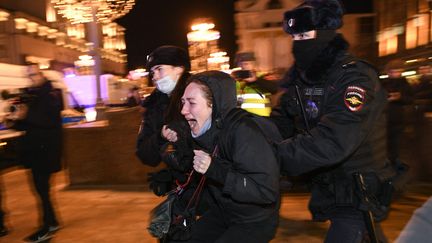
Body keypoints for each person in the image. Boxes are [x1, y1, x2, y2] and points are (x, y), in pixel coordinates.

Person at [272, 0, 396, 242]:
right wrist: (245, 133)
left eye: (305, 35)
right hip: (333, 188)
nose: (299, 44)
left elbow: (333, 141)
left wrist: (272, 155)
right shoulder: (304, 80)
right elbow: (282, 122)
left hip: (359, 194)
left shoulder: (355, 78)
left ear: (326, 34)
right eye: (295, 37)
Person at [177, 71, 280, 242]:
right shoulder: (204, 131)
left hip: (254, 221)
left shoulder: (244, 132)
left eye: (191, 103)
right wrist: (179, 202)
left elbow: (265, 191)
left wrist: (215, 169)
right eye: (182, 102)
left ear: (214, 105)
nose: (183, 110)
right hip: (224, 212)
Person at [6, 63, 63, 242]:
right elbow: (30, 121)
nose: (31, 79)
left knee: (42, 188)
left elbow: (48, 120)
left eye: (33, 75)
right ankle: (52, 221)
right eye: (29, 76)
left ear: (41, 75)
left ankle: (46, 228)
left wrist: (24, 116)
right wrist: (13, 121)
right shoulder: (35, 94)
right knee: (41, 190)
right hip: (35, 149)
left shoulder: (51, 94)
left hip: (45, 151)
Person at [135, 45, 194, 196]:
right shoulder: (153, 106)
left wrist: (182, 133)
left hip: (210, 185)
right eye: (152, 72)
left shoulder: (202, 95)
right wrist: (161, 137)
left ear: (179, 69)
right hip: (181, 189)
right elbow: (145, 155)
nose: (154, 76)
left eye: (159, 69)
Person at [232, 52, 279, 117]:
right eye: (241, 64)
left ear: (253, 64)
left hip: (261, 118)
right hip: (243, 119)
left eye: (246, 64)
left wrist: (255, 80)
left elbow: (274, 89)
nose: (243, 67)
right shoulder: (238, 80)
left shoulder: (263, 76)